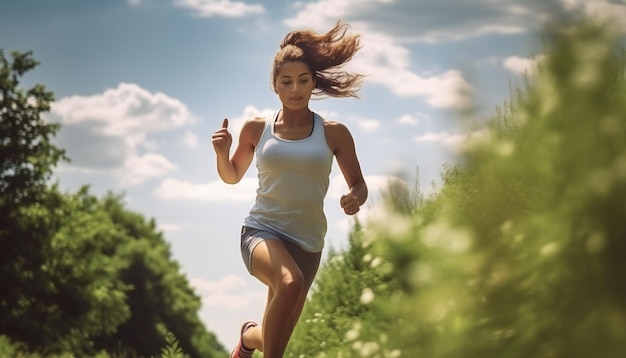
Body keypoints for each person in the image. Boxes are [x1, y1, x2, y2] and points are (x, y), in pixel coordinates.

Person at [212, 20, 368, 358]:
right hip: (261, 232)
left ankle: (247, 338)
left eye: (302, 80)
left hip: (308, 245)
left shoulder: (334, 133)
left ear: (313, 83)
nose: (295, 89)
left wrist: (355, 197)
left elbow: (359, 183)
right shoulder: (256, 128)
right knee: (290, 283)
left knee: (274, 340)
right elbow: (231, 175)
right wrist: (222, 154)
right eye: (287, 82)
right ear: (275, 85)